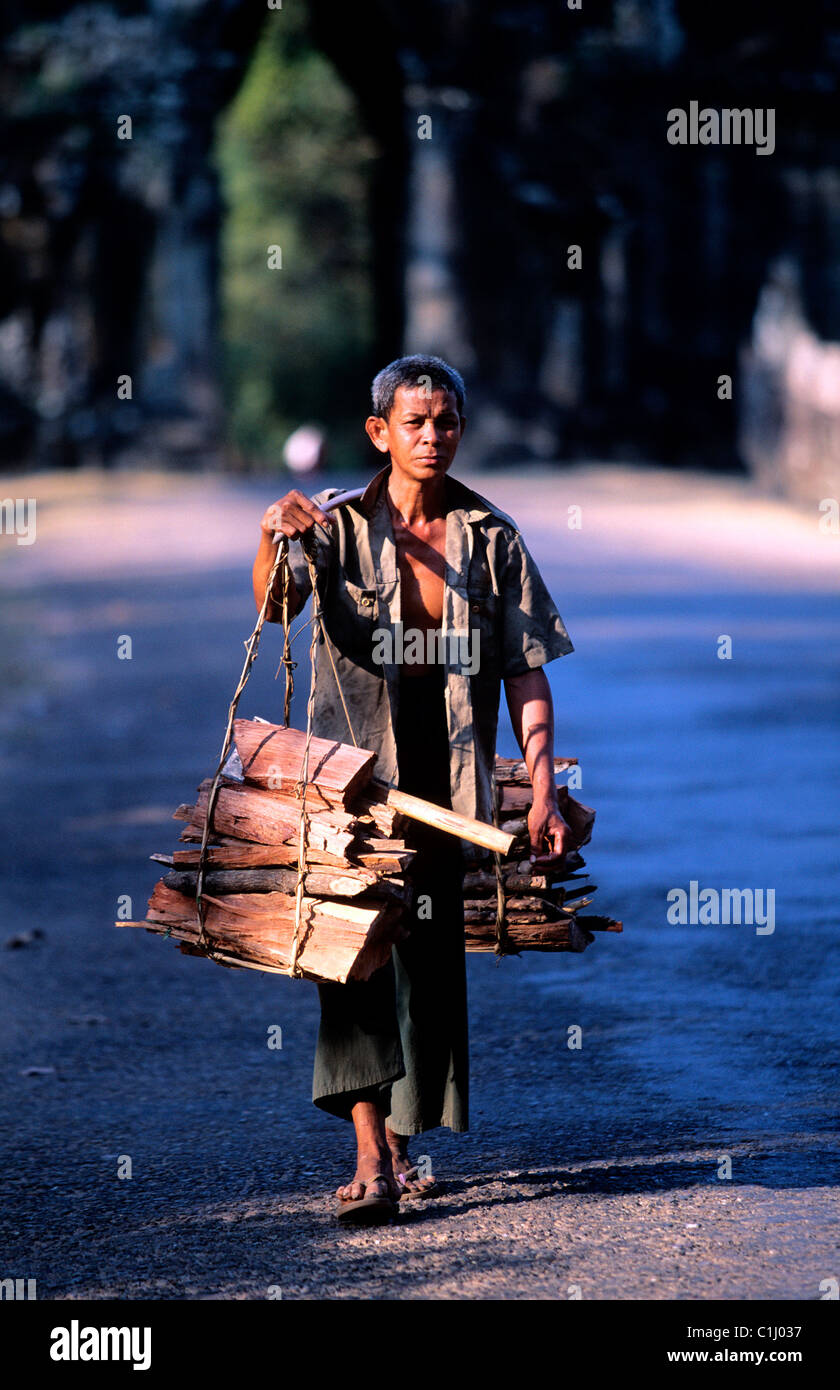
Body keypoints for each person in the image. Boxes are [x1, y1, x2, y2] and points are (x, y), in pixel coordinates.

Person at [252, 355, 576, 1223]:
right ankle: (369, 1151)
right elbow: (276, 605)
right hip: (351, 775)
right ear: (380, 433)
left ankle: (400, 1141)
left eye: (446, 422)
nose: (432, 436)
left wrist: (542, 786)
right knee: (352, 947)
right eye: (415, 422)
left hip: (448, 774)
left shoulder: (493, 537)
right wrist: (270, 536)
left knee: (423, 956)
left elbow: (526, 670)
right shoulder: (336, 527)